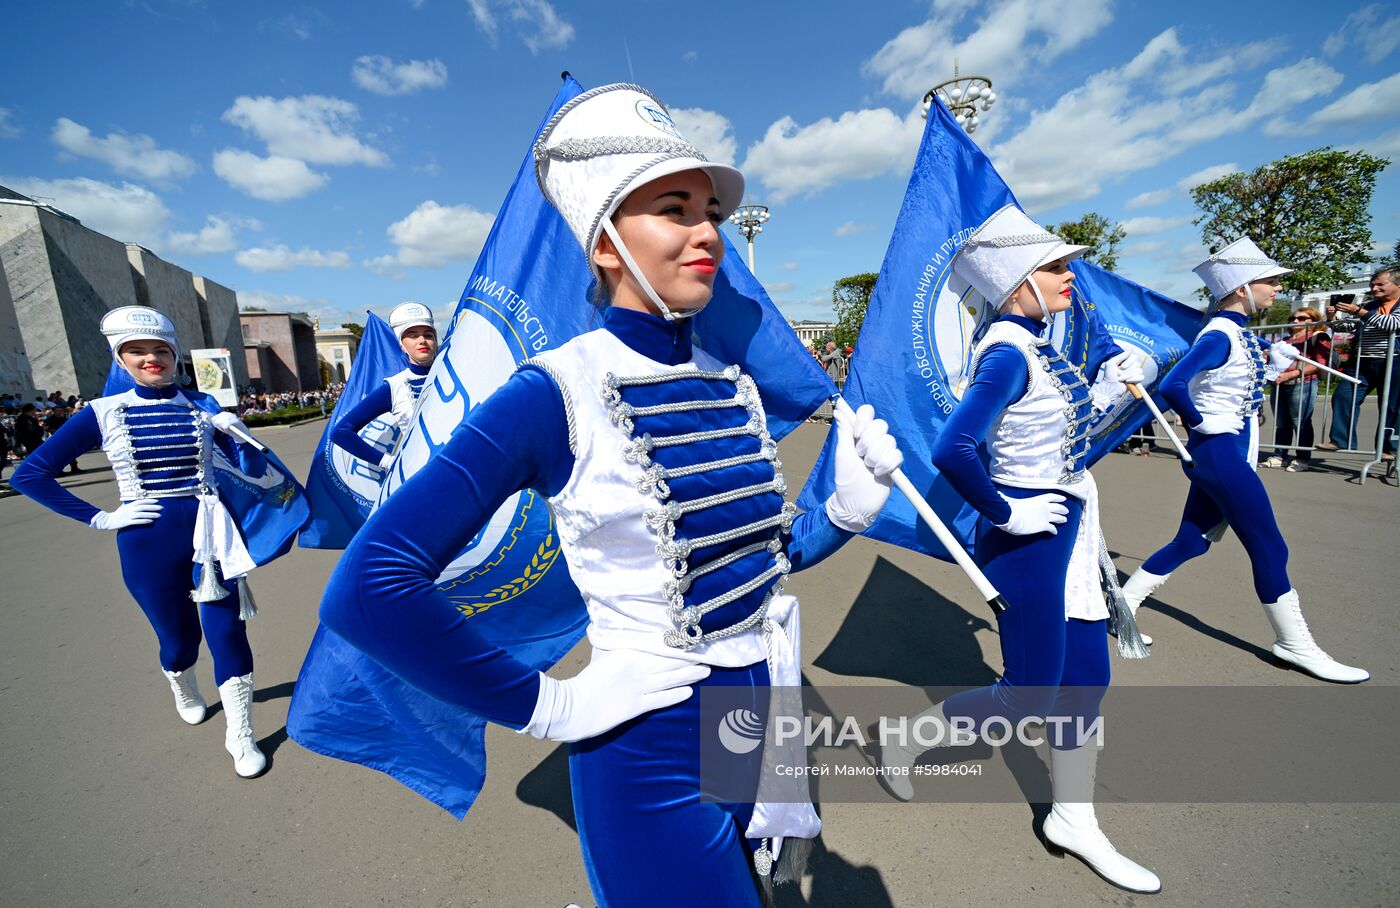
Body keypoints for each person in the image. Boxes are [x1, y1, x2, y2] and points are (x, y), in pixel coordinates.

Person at [317, 84, 902, 907]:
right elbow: (367, 587)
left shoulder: (727, 383)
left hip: (754, 720)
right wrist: (548, 704)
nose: (707, 233)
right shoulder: (554, 392)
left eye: (710, 211)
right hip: (648, 748)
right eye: (674, 208)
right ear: (604, 245)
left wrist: (842, 510)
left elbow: (755, 568)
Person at [878, 205, 1159, 893]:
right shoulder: (1005, 352)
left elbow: (1058, 433)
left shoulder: (1037, 347)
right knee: (1029, 694)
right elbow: (955, 448)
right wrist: (1007, 508)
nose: (1070, 277)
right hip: (1028, 536)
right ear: (1014, 283)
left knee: (1088, 680)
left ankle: (1073, 818)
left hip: (1069, 525)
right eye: (1055, 267)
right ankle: (904, 739)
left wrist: (1107, 384)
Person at [10, 306, 276, 777]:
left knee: (228, 632)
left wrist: (239, 436)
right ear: (120, 358)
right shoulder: (102, 412)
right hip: (146, 542)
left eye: (160, 350)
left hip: (210, 536)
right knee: (180, 641)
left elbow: (253, 472)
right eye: (137, 351)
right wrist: (100, 518)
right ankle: (182, 684)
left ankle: (240, 734)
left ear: (174, 355)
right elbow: (31, 474)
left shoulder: (204, 406)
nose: (151, 358)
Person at [1120, 239, 1368, 683]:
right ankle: (1294, 645)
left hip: (1225, 452)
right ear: (1241, 287)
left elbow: (1235, 392)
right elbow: (1176, 384)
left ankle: (1121, 605)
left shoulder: (1234, 333)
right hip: (1218, 453)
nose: (1276, 290)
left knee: (1191, 541)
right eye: (1269, 282)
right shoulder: (1219, 333)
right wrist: (1200, 424)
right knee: (1270, 546)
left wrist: (1272, 367)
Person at [328, 302, 438, 471]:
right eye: (413, 336)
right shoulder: (394, 387)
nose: (422, 340)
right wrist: (389, 462)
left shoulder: (456, 371)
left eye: (428, 335)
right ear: (401, 343)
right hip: (425, 472)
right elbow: (341, 432)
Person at [1319, 268, 1400, 459]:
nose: (1374, 288)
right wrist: (1333, 318)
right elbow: (1344, 328)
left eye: (1380, 284)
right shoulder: (1370, 306)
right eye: (1373, 284)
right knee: (1343, 396)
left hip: (1395, 362)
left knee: (1392, 406)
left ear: (1398, 284)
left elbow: (1393, 324)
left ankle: (1389, 449)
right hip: (1361, 363)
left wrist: (1359, 311)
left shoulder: (1367, 309)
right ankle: (1341, 440)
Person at [1263, 307, 1329, 472]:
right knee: (1281, 422)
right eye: (1293, 318)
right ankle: (1280, 456)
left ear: (1313, 320)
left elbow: (1320, 363)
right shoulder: (1284, 340)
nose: (1295, 321)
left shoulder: (1318, 337)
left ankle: (1302, 459)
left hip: (1303, 382)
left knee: (1301, 422)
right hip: (1279, 383)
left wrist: (1292, 374)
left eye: (1301, 318)